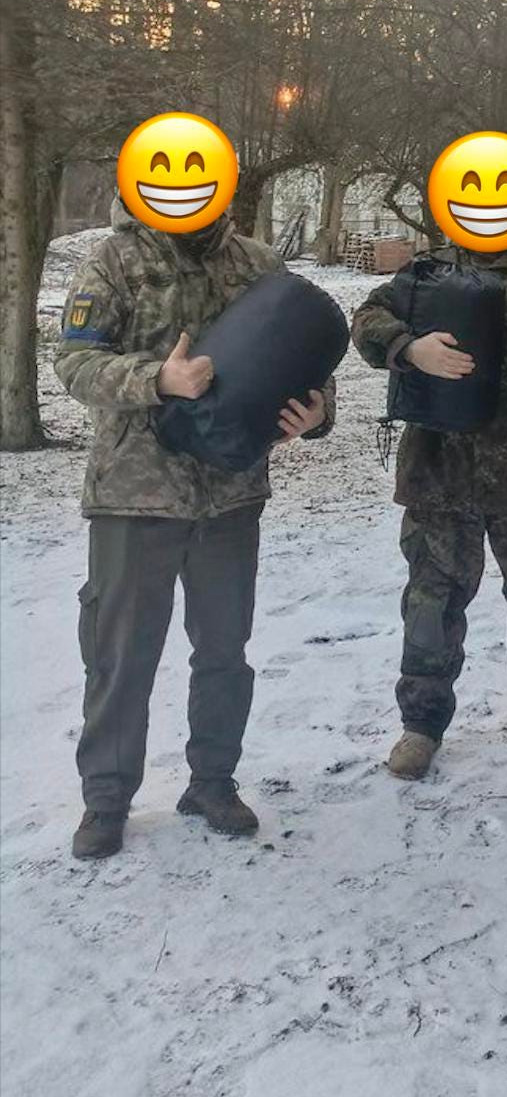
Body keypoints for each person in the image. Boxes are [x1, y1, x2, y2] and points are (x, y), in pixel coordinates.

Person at [56, 196, 334, 860]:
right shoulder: (114, 260)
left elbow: (305, 366)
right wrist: (159, 378)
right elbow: (74, 364)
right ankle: (107, 798)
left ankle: (212, 782)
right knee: (122, 656)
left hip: (230, 498)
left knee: (223, 652)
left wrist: (317, 414)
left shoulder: (260, 265)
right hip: (135, 493)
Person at [352, 235, 507, 777]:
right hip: (440, 470)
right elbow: (366, 318)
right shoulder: (426, 271)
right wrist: (409, 347)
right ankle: (421, 725)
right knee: (430, 606)